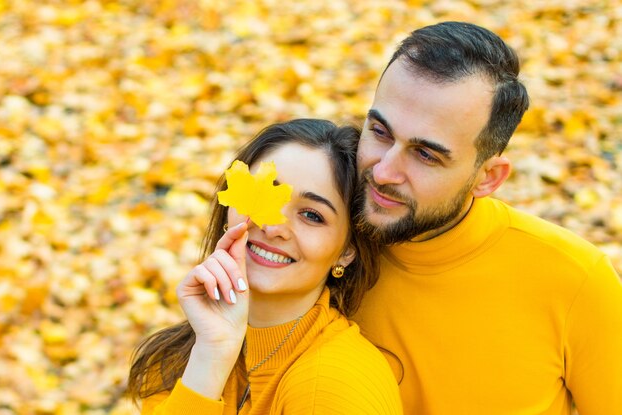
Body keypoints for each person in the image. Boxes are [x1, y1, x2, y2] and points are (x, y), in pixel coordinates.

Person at [352, 21, 622, 415]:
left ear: (488, 177)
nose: (382, 172)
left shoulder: (575, 280)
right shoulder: (311, 238)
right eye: (379, 131)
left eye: (425, 154)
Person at [127, 119, 402, 414]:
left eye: (311, 215)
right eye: (262, 195)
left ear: (346, 252)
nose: (272, 226)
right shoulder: (175, 358)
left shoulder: (336, 388)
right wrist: (212, 356)